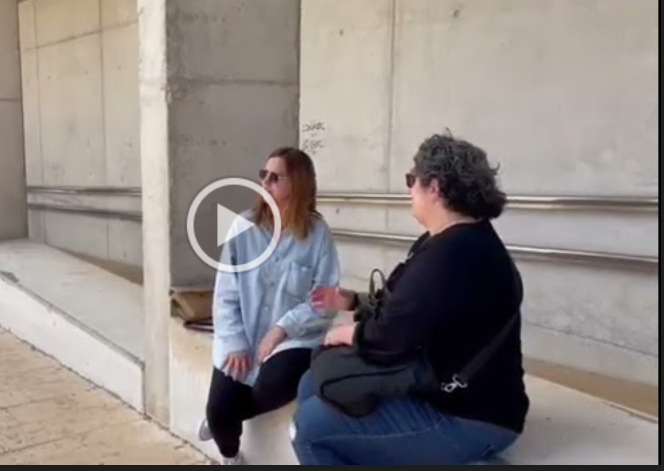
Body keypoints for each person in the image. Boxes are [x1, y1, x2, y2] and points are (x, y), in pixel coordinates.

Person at [293, 133, 529, 465]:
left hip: (469, 417)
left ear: (435, 188)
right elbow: (408, 307)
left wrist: (347, 333)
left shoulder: (452, 254)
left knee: (310, 428)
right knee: (313, 383)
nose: (409, 190)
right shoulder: (460, 240)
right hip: (451, 390)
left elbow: (388, 339)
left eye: (411, 180)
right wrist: (354, 303)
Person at [198, 147, 341, 465]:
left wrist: (281, 328)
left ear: (298, 184)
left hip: (294, 339)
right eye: (263, 174)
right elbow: (225, 293)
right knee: (218, 410)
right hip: (245, 334)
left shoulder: (318, 235)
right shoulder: (242, 227)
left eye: (276, 177)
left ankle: (227, 416)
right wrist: (235, 341)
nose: (265, 182)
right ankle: (230, 455)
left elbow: (325, 300)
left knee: (273, 385)